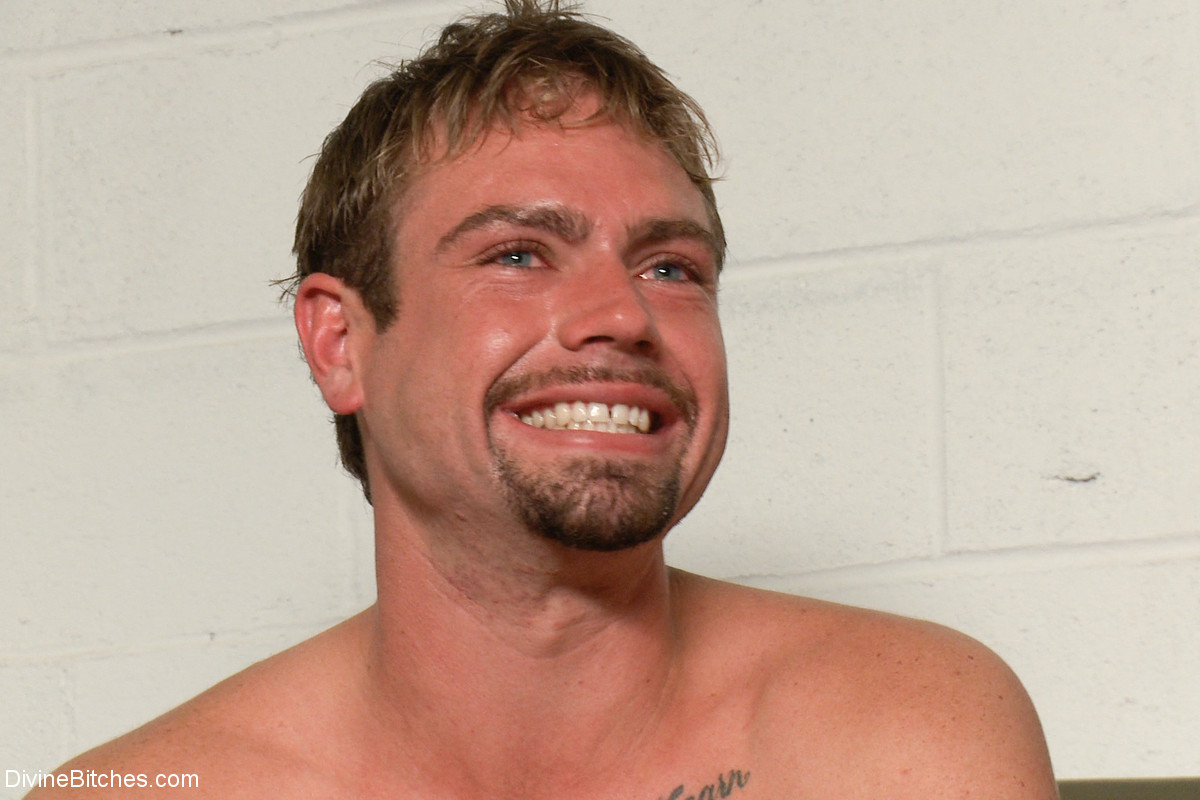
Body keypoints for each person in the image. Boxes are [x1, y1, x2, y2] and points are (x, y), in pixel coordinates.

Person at [29, 1, 1058, 797]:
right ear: (340, 343)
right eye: (518, 254)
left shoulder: (901, 735)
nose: (622, 314)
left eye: (670, 267)